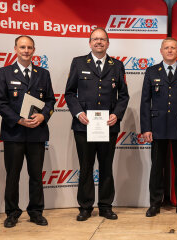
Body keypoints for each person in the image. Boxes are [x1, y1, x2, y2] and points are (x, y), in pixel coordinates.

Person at [65, 28, 129, 221]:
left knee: (106, 166)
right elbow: (69, 93)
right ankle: (85, 207)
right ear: (90, 42)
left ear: (108, 43)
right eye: (95, 39)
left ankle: (105, 206)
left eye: (102, 39)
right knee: (85, 166)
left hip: (108, 126)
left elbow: (123, 95)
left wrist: (117, 115)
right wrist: (78, 113)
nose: (99, 42)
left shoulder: (117, 65)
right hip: (84, 126)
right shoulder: (78, 62)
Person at [0, 35, 56, 228]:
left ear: (34, 50)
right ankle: (12, 213)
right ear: (15, 49)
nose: (26, 51)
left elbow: (51, 100)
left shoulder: (43, 73)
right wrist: (19, 120)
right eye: (22, 47)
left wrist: (43, 116)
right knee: (12, 175)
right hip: (14, 133)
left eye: (29, 47)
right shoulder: (4, 72)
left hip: (37, 133)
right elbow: (0, 102)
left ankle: (36, 212)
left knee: (36, 175)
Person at [140, 37, 177, 217]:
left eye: (173, 48)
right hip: (157, 127)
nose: (169, 50)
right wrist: (146, 128)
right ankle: (154, 204)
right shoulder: (151, 72)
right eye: (166, 48)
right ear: (161, 51)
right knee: (157, 167)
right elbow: (145, 102)